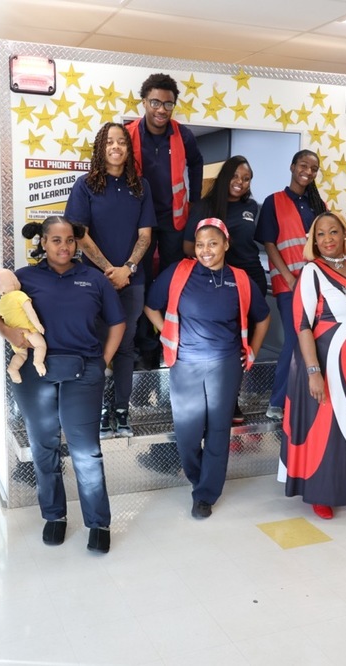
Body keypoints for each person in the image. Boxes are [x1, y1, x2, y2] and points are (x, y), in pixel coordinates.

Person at [0, 217, 125, 553]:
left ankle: (98, 522)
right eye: (55, 240)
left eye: (69, 240)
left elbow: (118, 322)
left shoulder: (93, 278)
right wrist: (11, 334)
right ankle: (54, 516)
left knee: (86, 450)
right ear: (43, 242)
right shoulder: (24, 278)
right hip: (34, 374)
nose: (64, 247)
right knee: (43, 446)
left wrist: (102, 361)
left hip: (84, 370)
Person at [145, 218, 270, 519]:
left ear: (226, 244)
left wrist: (252, 350)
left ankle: (205, 494)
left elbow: (263, 316)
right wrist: (167, 335)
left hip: (225, 364)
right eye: (200, 244)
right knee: (187, 432)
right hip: (185, 363)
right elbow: (151, 306)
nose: (205, 250)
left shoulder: (240, 279)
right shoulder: (179, 272)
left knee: (218, 430)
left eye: (213, 243)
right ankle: (198, 476)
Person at [281, 211, 346, 521]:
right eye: (320, 234)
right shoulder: (311, 271)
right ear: (314, 241)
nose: (327, 239)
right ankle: (321, 493)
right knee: (328, 429)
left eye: (333, 232)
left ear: (344, 235)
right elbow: (302, 325)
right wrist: (313, 371)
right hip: (326, 364)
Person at [65, 121, 154, 438]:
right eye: (110, 142)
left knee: (126, 346)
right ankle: (100, 410)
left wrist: (127, 268)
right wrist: (108, 271)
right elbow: (79, 234)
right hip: (94, 281)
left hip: (132, 281)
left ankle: (121, 411)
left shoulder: (140, 186)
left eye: (122, 142)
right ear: (101, 148)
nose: (116, 147)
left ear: (129, 149)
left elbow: (145, 235)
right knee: (98, 345)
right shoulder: (85, 186)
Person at [126, 73, 204, 369]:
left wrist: (195, 200)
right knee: (142, 280)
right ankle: (144, 346)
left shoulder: (183, 135)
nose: (161, 109)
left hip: (174, 218)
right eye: (155, 102)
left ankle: (171, 339)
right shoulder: (129, 133)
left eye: (168, 104)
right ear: (144, 102)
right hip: (140, 219)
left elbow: (196, 163)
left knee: (174, 279)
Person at [182, 155, 267, 424]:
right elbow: (188, 246)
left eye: (246, 178)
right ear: (225, 177)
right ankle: (210, 399)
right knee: (223, 343)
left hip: (250, 279)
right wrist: (211, 263)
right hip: (219, 283)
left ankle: (232, 400)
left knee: (242, 344)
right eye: (236, 176)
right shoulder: (205, 207)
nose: (240, 182)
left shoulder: (251, 207)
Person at [254, 149, 326, 420]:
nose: (308, 171)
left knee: (317, 338)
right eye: (303, 165)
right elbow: (270, 244)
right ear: (292, 166)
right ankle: (277, 402)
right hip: (290, 285)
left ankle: (305, 398)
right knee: (296, 338)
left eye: (314, 168)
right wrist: (289, 279)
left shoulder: (319, 204)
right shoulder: (273, 201)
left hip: (317, 283)